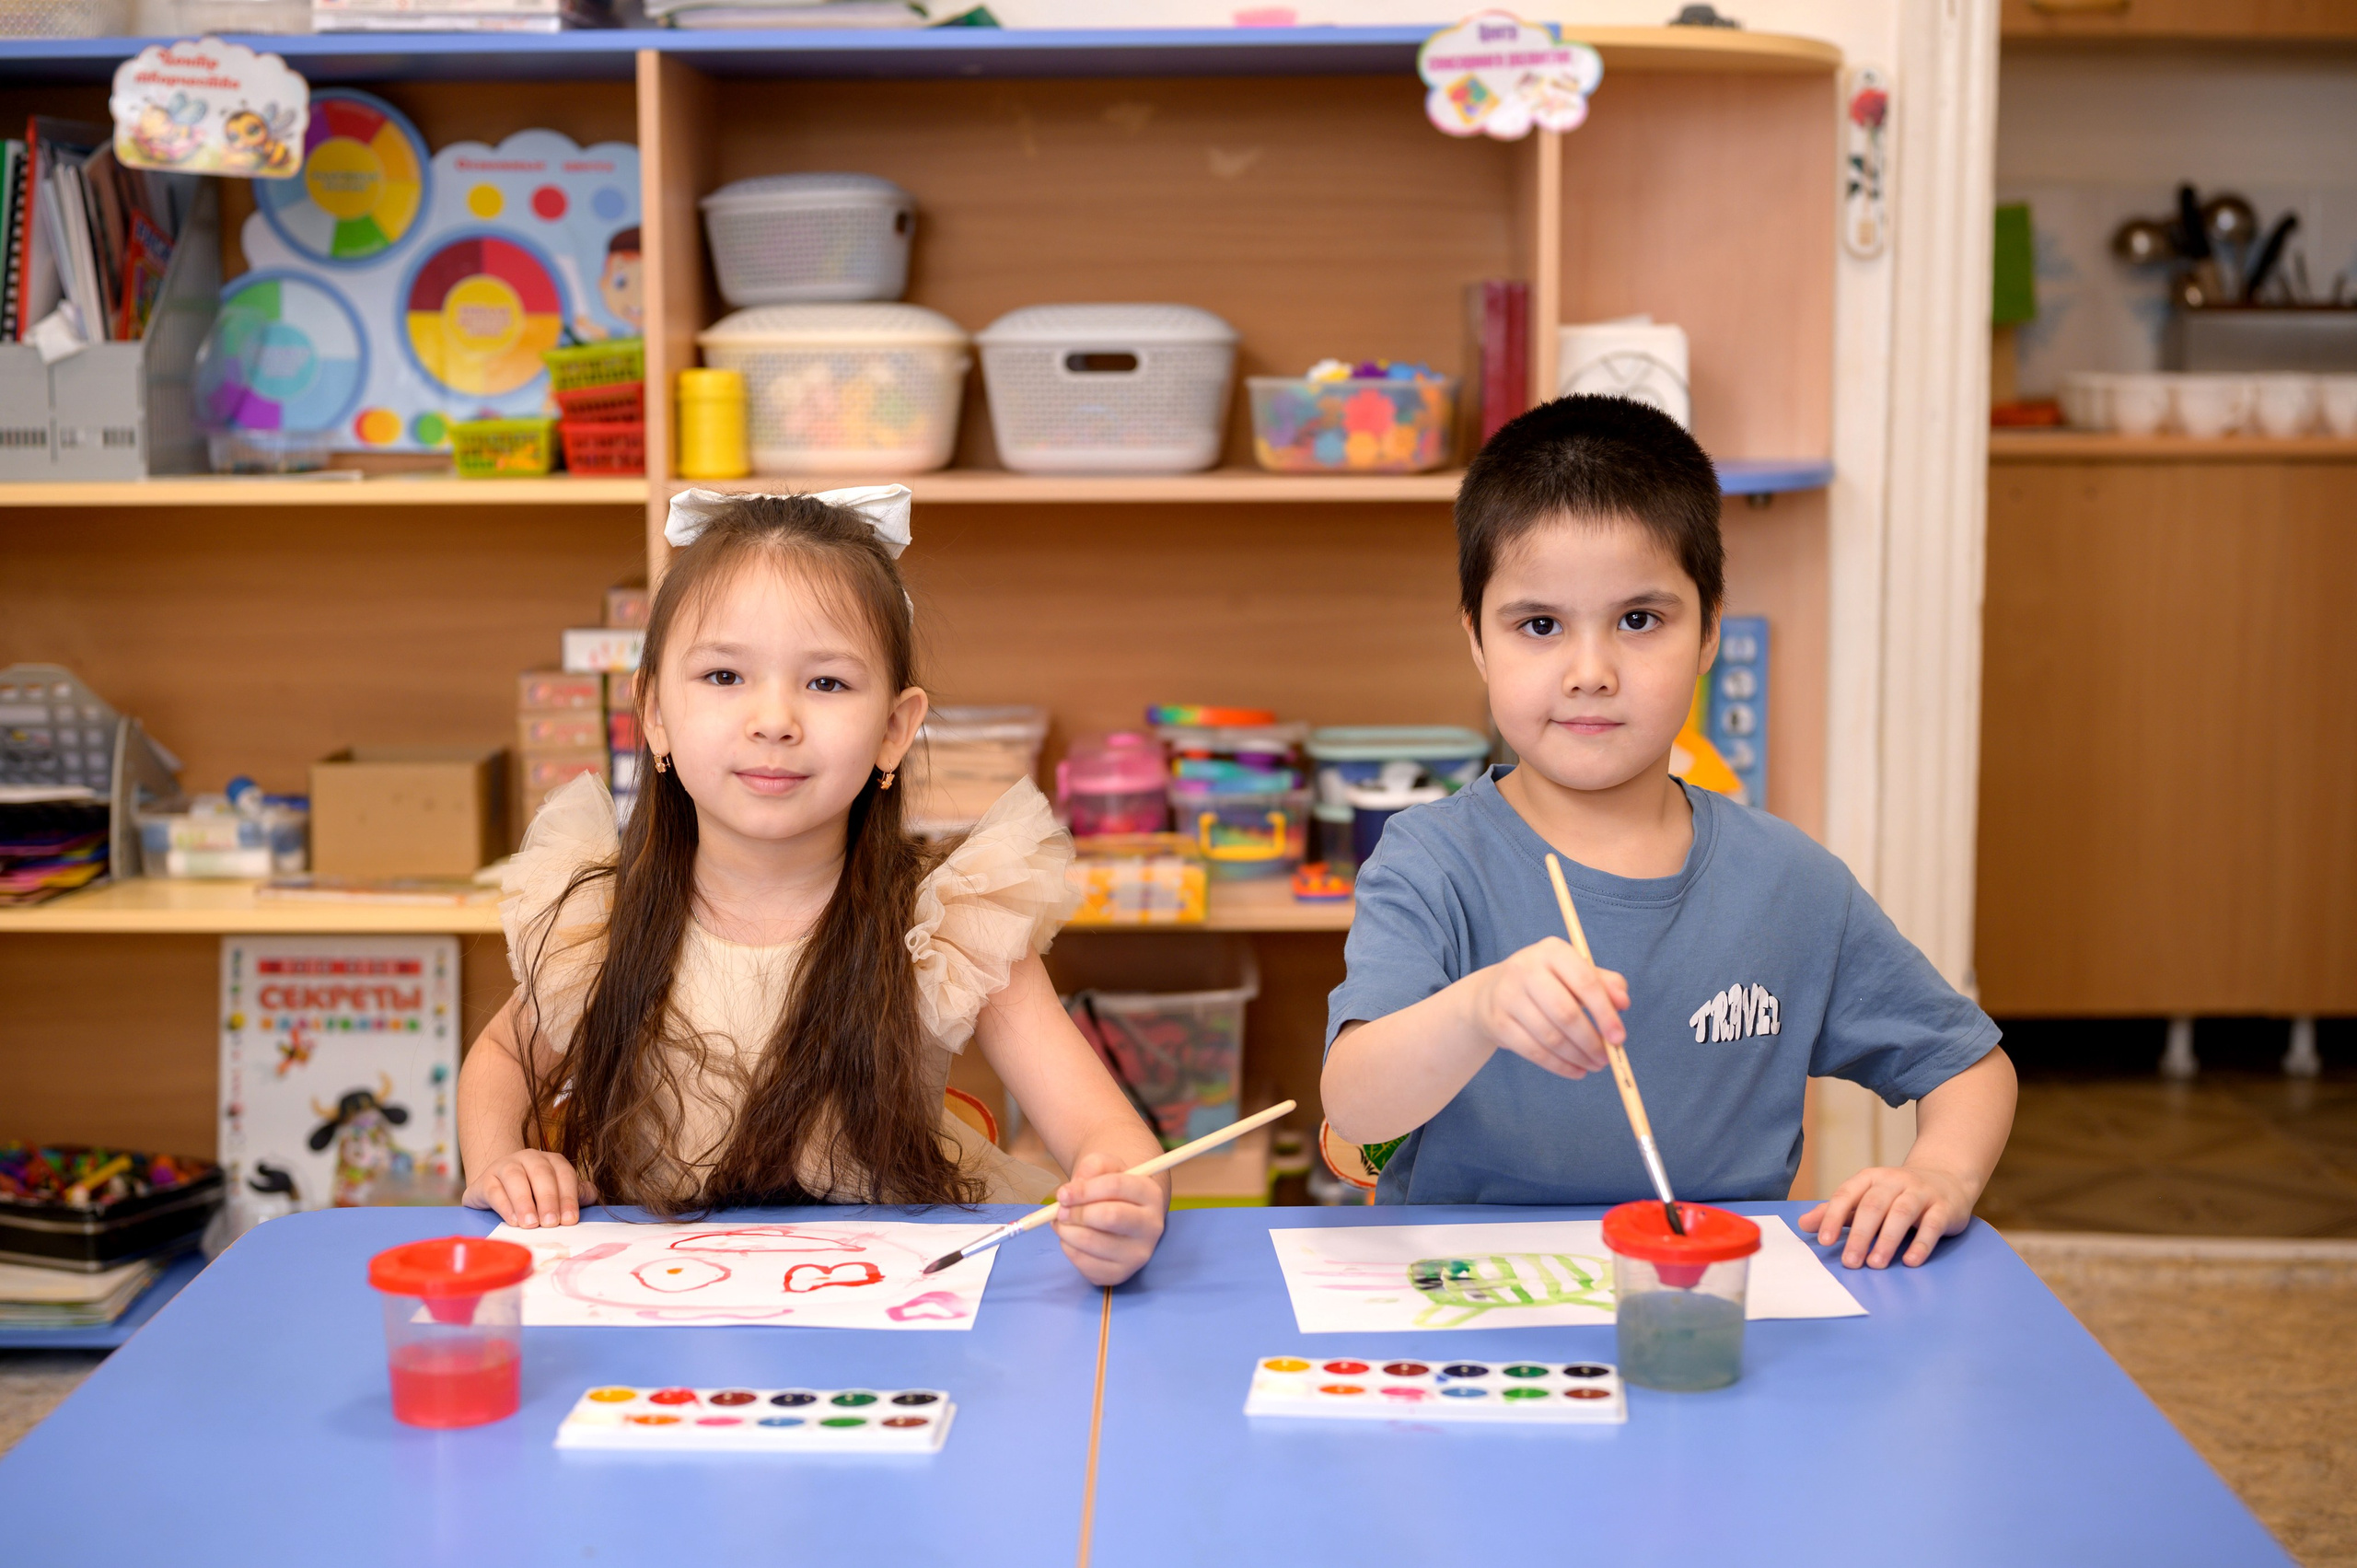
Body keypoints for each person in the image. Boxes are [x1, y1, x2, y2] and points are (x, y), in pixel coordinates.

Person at [1319, 397, 2015, 1270]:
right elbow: (1354, 1106)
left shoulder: (1790, 881)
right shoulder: (1431, 863)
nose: (1590, 673)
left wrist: (1940, 1175)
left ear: (1709, 630)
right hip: (1479, 1311)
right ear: (1477, 642)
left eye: (1639, 620)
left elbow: (1969, 1065)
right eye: (1539, 626)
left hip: (1711, 1306)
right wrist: (1479, 1008)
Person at [457, 486, 1167, 1285]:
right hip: (660, 1306)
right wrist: (501, 1160)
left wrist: (1124, 1196)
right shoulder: (604, 918)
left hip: (891, 1306)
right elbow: (499, 1060)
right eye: (724, 674)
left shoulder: (943, 921)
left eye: (826, 684)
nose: (774, 719)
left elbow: (1108, 1130)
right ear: (653, 711)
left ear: (895, 730)